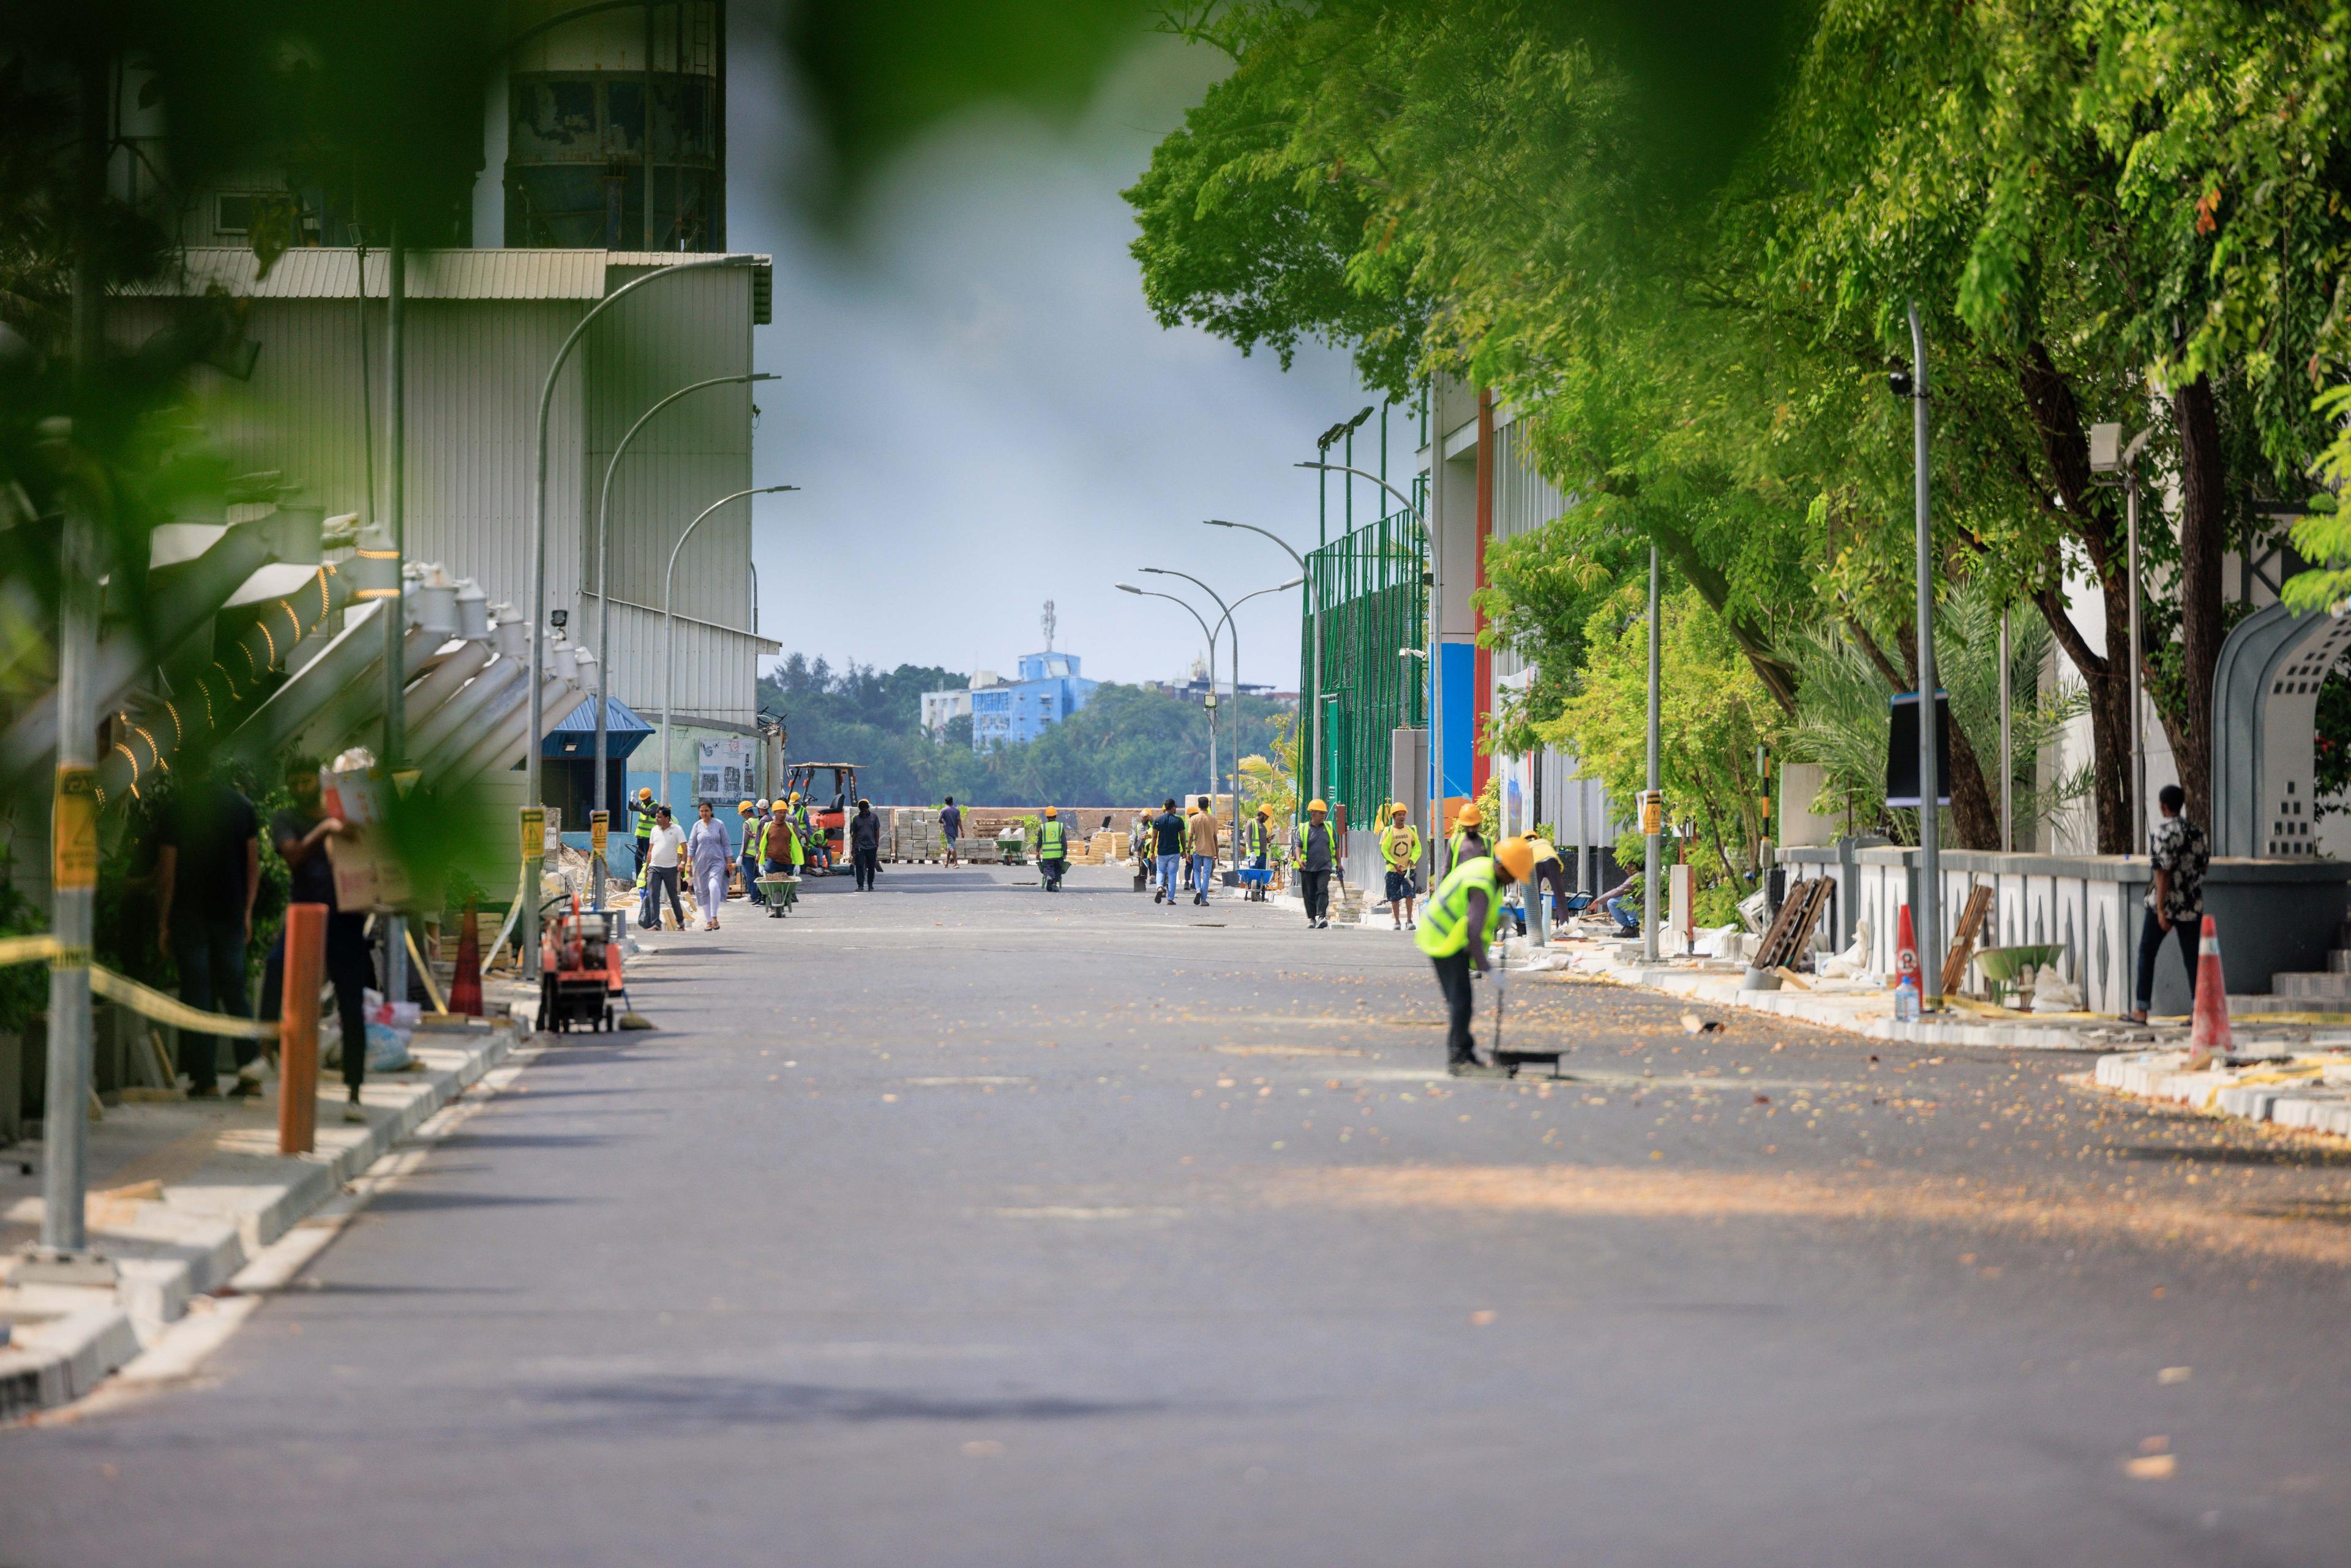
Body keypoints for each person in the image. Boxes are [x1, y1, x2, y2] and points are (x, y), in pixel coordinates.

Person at [258, 757, 374, 1122]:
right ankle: (265, 1054)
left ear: (321, 783)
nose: (300, 788)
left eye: (306, 781)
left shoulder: (347, 817)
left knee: (351, 1003)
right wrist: (326, 830)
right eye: (294, 782)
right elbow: (293, 857)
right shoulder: (286, 820)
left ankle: (354, 1092)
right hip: (304, 916)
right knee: (276, 967)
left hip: (346, 920)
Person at [153, 760, 260, 1097]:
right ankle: (251, 1076)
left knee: (197, 996)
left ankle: (206, 1080)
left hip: (190, 915)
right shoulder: (242, 807)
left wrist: (163, 923)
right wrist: (247, 912)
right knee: (236, 994)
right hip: (230, 914)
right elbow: (253, 866)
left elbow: (167, 872)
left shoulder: (176, 810)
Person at [1419, 835, 1535, 1076]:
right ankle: (1458, 1059)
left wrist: (1499, 918)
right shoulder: (1483, 882)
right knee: (1460, 1001)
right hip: (1443, 938)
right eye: (1513, 875)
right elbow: (1473, 930)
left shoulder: (1486, 870)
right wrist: (1487, 968)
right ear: (1502, 867)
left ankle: (1465, 1054)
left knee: (1461, 1000)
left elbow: (1478, 915)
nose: (1513, 880)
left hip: (1448, 936)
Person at [2131, 782, 2211, 1024]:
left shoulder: (2161, 833)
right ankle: (2198, 1011)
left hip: (2165, 904)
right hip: (2191, 904)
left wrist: (2161, 911)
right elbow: (2204, 867)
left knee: (2147, 952)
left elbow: (2162, 873)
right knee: (2193, 958)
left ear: (2163, 806)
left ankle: (2141, 1010)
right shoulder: (2198, 833)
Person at [688, 800, 732, 930]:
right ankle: (708, 921)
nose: (704, 813)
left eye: (706, 811)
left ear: (711, 811)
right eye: (702, 811)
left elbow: (726, 844)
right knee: (703, 892)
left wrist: (729, 862)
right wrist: (688, 863)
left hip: (717, 862)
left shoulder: (719, 825)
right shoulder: (697, 826)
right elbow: (692, 846)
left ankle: (714, 917)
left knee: (714, 886)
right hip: (700, 863)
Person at [641, 805, 686, 929]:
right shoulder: (654, 830)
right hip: (654, 867)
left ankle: (681, 921)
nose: (656, 819)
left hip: (670, 868)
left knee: (673, 896)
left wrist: (683, 863)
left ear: (667, 818)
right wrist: (647, 868)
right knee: (653, 894)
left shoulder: (677, 830)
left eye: (659, 817)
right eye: (656, 816)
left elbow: (684, 847)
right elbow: (650, 850)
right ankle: (656, 923)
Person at [1379, 803, 1422, 932]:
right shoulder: (1388, 831)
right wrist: (1394, 863)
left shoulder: (1411, 830)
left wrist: (1412, 859)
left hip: (1408, 870)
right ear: (1393, 816)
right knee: (1394, 897)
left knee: (1409, 895)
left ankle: (1409, 921)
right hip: (1393, 870)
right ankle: (1397, 922)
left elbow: (1417, 847)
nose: (1402, 817)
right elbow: (1384, 850)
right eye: (1399, 815)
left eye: (1403, 815)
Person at [1299, 798, 1335, 928]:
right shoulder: (1304, 828)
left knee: (1322, 889)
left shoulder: (1329, 828)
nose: (1323, 816)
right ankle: (1312, 919)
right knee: (1309, 893)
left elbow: (1335, 847)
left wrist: (1339, 864)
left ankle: (1322, 917)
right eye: (1321, 813)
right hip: (1307, 867)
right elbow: (1298, 845)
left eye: (1324, 813)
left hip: (1324, 866)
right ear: (1313, 813)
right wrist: (1298, 859)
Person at [1150, 797, 1186, 907]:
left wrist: (1152, 851)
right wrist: (1184, 850)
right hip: (1174, 852)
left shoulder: (1158, 820)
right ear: (1173, 807)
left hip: (1162, 851)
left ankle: (1160, 887)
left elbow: (1154, 836)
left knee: (1160, 871)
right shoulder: (1178, 821)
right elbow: (1182, 837)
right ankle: (1170, 899)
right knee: (1172, 874)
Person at [1187, 796, 1219, 906]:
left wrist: (1188, 851)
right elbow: (1215, 837)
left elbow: (1190, 837)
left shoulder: (1194, 819)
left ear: (1198, 806)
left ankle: (1198, 889)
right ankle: (1204, 900)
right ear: (1208, 805)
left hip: (1197, 850)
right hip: (1209, 850)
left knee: (1196, 871)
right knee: (1206, 874)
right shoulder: (1213, 819)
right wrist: (1217, 852)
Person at [1592, 870, 1641, 937]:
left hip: (1643, 909)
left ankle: (1630, 928)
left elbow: (1618, 891)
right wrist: (1617, 908)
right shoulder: (1644, 875)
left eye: (1626, 867)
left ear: (1633, 866)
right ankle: (1633, 927)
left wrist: (1598, 901)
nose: (1626, 870)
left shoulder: (1638, 877)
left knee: (1612, 902)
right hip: (1644, 907)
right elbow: (1628, 895)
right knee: (1624, 901)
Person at [1446, 803, 1488, 877]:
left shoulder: (1488, 843)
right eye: (1468, 827)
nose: (1471, 830)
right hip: (1460, 883)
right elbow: (1446, 868)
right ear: (1463, 825)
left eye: (1474, 826)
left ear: (1478, 824)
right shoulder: (1454, 842)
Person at [849, 798, 882, 890]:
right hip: (860, 846)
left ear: (868, 808)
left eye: (865, 810)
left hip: (872, 846)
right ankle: (860, 885)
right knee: (859, 866)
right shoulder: (856, 819)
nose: (864, 812)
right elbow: (854, 834)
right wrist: (853, 847)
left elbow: (877, 831)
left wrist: (877, 843)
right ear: (860, 810)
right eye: (862, 810)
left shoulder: (874, 817)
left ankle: (870, 884)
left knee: (871, 866)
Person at [738, 800, 765, 906]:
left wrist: (741, 855)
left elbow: (745, 841)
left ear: (746, 812)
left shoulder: (747, 823)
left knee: (749, 876)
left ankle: (754, 896)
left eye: (742, 814)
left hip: (748, 855)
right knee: (758, 875)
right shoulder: (760, 821)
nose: (742, 816)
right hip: (759, 854)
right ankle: (760, 894)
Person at [1037, 806, 1068, 892]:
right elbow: (1064, 841)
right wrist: (1065, 852)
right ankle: (1054, 884)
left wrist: (1037, 852)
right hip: (1058, 855)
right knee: (1057, 869)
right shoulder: (1060, 826)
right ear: (1056, 816)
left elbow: (1039, 840)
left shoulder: (1043, 827)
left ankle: (1049, 877)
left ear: (1047, 816)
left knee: (1047, 868)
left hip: (1047, 855)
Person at [629, 785, 657, 877]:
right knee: (638, 858)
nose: (643, 801)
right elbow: (631, 808)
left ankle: (649, 878)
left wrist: (636, 802)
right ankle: (639, 879)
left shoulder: (655, 806)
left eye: (644, 800)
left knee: (648, 858)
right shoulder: (643, 805)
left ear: (649, 798)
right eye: (642, 800)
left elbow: (646, 812)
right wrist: (631, 799)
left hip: (649, 838)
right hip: (641, 836)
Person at [941, 795, 964, 866]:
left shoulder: (944, 810)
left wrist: (944, 822)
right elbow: (959, 821)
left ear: (946, 803)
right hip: (955, 832)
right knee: (950, 847)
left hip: (948, 832)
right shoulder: (957, 811)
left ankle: (956, 863)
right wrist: (962, 831)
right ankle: (947, 863)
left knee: (952, 847)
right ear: (952, 802)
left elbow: (939, 820)